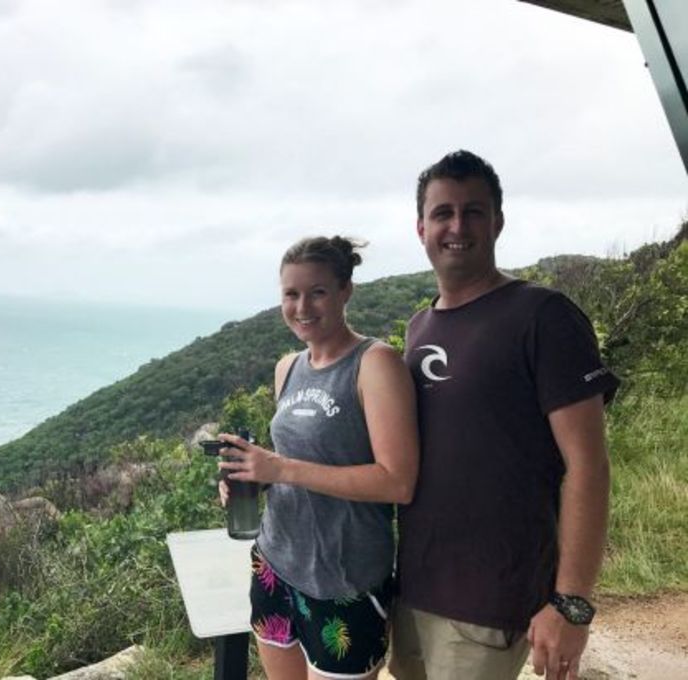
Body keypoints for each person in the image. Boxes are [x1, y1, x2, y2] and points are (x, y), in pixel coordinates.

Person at [389, 150, 620, 680]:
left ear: (498, 221)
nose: (457, 226)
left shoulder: (542, 315)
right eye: (443, 213)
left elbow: (589, 466)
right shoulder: (419, 325)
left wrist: (572, 604)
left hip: (490, 599)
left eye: (473, 211)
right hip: (414, 590)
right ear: (420, 227)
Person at [217, 235, 420, 680]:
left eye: (318, 292)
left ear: (346, 291)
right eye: (291, 294)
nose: (302, 306)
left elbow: (398, 481)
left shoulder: (375, 364)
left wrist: (281, 468)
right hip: (275, 562)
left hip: (344, 578)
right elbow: (295, 460)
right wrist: (256, 476)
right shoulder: (288, 367)